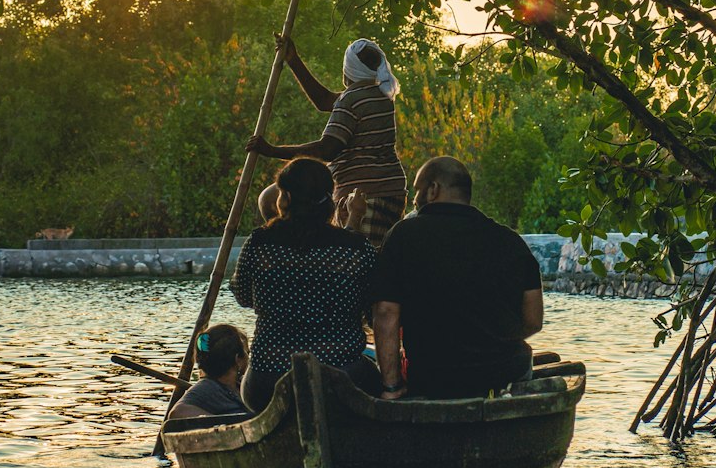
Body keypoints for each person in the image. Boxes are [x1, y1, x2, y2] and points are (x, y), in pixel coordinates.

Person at [371, 156, 543, 401]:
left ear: (433, 190)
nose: (414, 201)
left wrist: (391, 387)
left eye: (417, 191)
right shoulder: (510, 241)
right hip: (503, 373)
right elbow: (534, 320)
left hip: (433, 376)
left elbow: (386, 312)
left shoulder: (402, 236)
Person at [231, 156, 380, 411]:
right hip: (344, 374)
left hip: (268, 379)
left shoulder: (259, 242)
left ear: (285, 198)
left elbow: (243, 296)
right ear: (328, 201)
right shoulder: (356, 249)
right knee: (374, 377)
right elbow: (373, 308)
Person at [247, 36, 407, 248]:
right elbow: (324, 101)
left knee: (358, 259)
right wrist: (294, 61)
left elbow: (327, 150)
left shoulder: (352, 99)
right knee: (270, 197)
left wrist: (271, 150)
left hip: (365, 196)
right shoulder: (379, 94)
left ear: (347, 70)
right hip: (389, 190)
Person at [166, 323, 251, 421]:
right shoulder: (208, 387)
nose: (249, 359)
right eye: (247, 353)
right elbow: (177, 413)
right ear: (238, 360)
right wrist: (225, 424)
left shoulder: (240, 384)